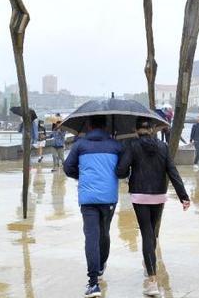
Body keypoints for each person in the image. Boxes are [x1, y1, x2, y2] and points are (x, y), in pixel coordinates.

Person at [116, 118, 190, 296]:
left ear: (136, 130)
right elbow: (172, 171)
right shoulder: (163, 147)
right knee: (152, 234)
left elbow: (121, 171)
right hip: (158, 196)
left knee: (147, 233)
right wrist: (183, 196)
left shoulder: (132, 145)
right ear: (152, 129)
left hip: (140, 196)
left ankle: (152, 280)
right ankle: (150, 265)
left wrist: (126, 169)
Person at [63, 115, 123, 297]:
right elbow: (123, 170)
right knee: (104, 233)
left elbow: (68, 168)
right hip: (109, 198)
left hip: (88, 198)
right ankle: (102, 264)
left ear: (88, 125)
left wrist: (83, 177)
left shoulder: (80, 145)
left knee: (91, 237)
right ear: (106, 126)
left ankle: (93, 282)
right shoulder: (116, 146)